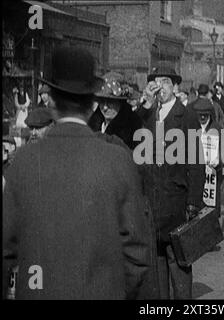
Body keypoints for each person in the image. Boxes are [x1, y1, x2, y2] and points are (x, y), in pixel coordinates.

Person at [3, 47, 151, 300]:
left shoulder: (24, 162)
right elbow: (137, 253)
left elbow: (6, 249)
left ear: (51, 102)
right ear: (91, 103)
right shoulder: (117, 159)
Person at [136, 61, 205, 299]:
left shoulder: (186, 117)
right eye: (156, 82)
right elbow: (130, 132)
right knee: (156, 266)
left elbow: (197, 163)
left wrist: (193, 202)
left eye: (166, 82)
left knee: (178, 261)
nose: (161, 87)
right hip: (151, 201)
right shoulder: (148, 114)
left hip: (176, 201)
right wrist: (144, 103)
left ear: (176, 87)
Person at [88, 75, 143, 150]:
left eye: (110, 102)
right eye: (102, 101)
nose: (105, 107)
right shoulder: (90, 126)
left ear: (121, 103)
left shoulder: (135, 130)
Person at [193, 98, 224, 220]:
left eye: (204, 115)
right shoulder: (192, 127)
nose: (202, 118)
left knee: (211, 212)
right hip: (196, 173)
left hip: (212, 176)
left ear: (210, 114)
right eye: (199, 115)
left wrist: (218, 161)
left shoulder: (217, 129)